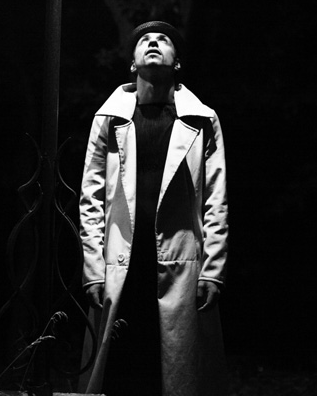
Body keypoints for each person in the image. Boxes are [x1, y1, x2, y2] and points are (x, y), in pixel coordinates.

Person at [78, 21, 229, 396]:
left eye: (164, 40)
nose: (154, 42)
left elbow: (216, 198)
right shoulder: (109, 118)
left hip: (181, 261)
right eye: (145, 39)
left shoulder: (202, 119)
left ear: (177, 63)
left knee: (173, 370)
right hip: (121, 260)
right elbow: (90, 196)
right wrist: (93, 268)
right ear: (132, 63)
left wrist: (213, 270)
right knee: (118, 366)